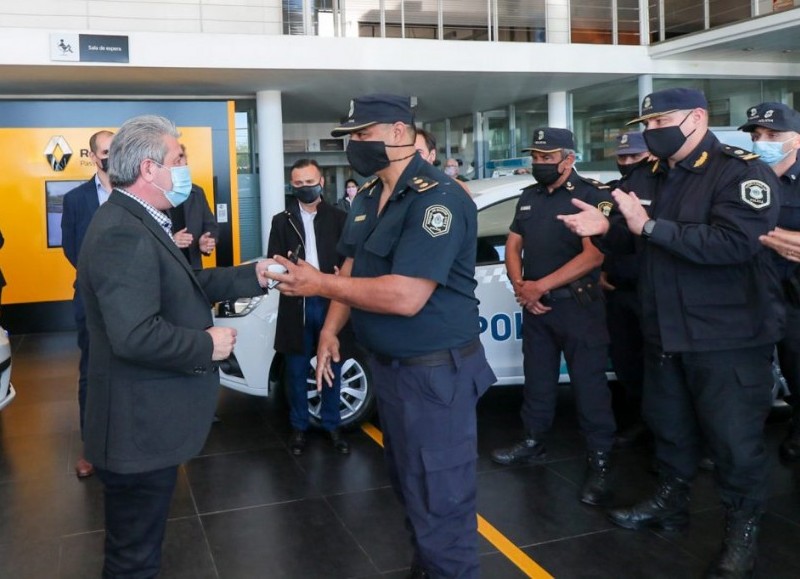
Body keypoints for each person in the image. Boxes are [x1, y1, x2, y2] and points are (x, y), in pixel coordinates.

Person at [266, 94, 496, 579]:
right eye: (349, 136)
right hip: (391, 373)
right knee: (411, 488)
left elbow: (407, 296)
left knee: (443, 500)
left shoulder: (439, 199)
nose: (354, 145)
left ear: (398, 133)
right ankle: (428, 567)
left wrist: (317, 284)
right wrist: (330, 329)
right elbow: (353, 265)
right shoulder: (370, 195)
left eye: (362, 134)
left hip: (435, 377)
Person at [558, 88, 783, 579]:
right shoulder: (651, 175)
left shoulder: (741, 171)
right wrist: (602, 227)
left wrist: (650, 228)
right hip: (664, 331)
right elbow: (631, 238)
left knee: (733, 444)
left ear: (698, 118)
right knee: (669, 429)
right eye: (647, 121)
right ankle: (670, 502)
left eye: (662, 120)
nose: (651, 129)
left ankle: (741, 531)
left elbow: (736, 243)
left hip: (728, 337)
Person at [77, 114, 273, 578]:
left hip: (144, 426)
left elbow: (185, 283)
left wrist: (252, 274)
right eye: (178, 159)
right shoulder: (123, 231)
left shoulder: (139, 218)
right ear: (149, 169)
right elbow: (135, 334)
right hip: (136, 429)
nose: (185, 168)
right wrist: (206, 345)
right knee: (133, 560)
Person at [489, 127, 618, 507]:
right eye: (536, 158)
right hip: (537, 308)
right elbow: (513, 243)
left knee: (590, 387)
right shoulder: (528, 198)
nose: (540, 164)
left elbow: (593, 256)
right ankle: (533, 441)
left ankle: (600, 460)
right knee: (538, 380)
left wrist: (538, 285)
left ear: (569, 158)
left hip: (579, 307)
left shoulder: (591, 196)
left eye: (548, 158)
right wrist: (521, 287)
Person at [268, 158, 350, 455]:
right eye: (298, 184)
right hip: (297, 304)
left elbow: (349, 262)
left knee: (331, 364)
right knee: (296, 368)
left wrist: (340, 279)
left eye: (309, 182)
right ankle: (299, 427)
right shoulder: (282, 220)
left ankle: (333, 424)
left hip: (331, 302)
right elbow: (273, 263)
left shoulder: (340, 218)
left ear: (321, 182)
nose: (305, 188)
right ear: (292, 185)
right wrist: (285, 281)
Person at [740, 102, 800, 461]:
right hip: (750, 291)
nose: (763, 142)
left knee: (796, 364)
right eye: (757, 136)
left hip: (794, 292)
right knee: (747, 371)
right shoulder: (744, 177)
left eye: (773, 135)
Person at [61, 129, 114, 479]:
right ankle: (92, 449)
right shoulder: (76, 198)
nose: (112, 156)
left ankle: (129, 442)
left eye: (117, 150)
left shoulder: (135, 193)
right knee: (93, 372)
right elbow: (70, 248)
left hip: (135, 298)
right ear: (93, 156)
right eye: (106, 151)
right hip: (91, 298)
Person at [603, 131, 652, 447]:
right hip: (617, 291)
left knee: (659, 369)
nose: (628, 162)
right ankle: (642, 422)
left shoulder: (663, 188)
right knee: (627, 363)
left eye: (635, 156)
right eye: (623, 157)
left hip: (650, 293)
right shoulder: (613, 193)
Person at [169, 144, 219, 271]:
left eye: (183, 162)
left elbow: (211, 226)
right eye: (176, 162)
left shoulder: (196, 192)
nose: (181, 167)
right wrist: (171, 241)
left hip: (193, 269)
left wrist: (206, 241)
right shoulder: (153, 194)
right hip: (166, 271)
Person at [416, 129, 471, 194]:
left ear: (432, 155)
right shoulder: (403, 186)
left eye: (419, 152)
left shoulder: (456, 187)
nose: (412, 157)